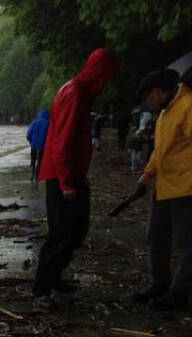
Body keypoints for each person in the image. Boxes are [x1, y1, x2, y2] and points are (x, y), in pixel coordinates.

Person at [33, 47, 119, 308]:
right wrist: (67, 181)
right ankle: (42, 289)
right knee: (62, 233)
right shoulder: (74, 93)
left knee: (75, 231)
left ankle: (53, 278)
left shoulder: (79, 93)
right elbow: (63, 140)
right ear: (101, 73)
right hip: (63, 177)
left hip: (68, 175)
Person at [132, 68, 192, 310]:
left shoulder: (187, 106)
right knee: (156, 236)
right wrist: (147, 174)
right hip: (165, 186)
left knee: (187, 244)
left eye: (149, 97)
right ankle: (160, 283)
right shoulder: (165, 112)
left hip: (186, 187)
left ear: (159, 91)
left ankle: (179, 293)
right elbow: (160, 150)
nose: (149, 103)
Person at [26, 109, 50, 181]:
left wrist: (31, 142)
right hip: (43, 146)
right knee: (40, 161)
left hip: (34, 146)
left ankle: (32, 174)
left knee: (33, 160)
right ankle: (37, 176)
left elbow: (28, 134)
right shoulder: (48, 123)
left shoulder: (34, 123)